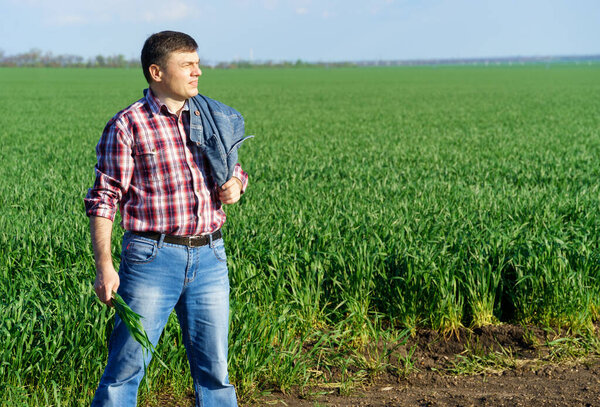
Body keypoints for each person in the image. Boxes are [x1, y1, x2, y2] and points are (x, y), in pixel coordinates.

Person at [84, 31, 250, 407]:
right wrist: (105, 267)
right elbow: (104, 198)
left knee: (216, 374)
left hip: (210, 255)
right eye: (188, 65)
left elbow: (233, 165)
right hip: (151, 258)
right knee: (125, 370)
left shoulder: (210, 115)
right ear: (157, 72)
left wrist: (237, 183)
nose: (198, 72)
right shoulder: (128, 125)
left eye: (197, 63)